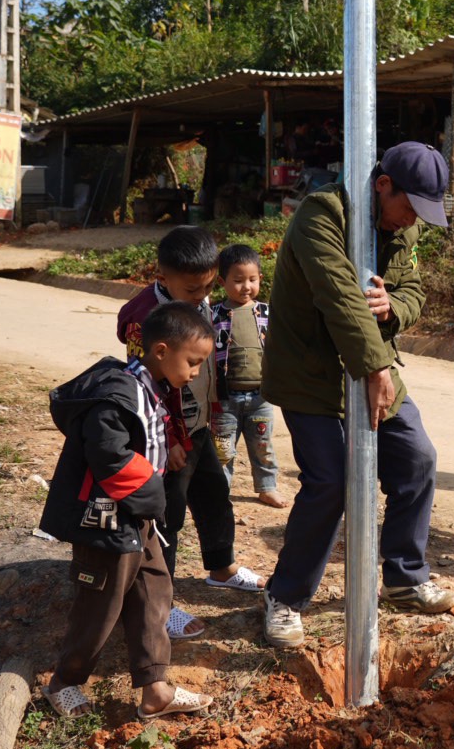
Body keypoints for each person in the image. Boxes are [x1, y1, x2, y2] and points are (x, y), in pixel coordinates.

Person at [261, 142, 454, 649]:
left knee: (417, 459)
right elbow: (340, 297)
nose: (411, 220)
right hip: (311, 373)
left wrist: (394, 307)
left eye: (420, 212)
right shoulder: (320, 214)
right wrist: (375, 366)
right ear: (382, 184)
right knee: (331, 481)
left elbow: (413, 290)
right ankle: (285, 597)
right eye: (409, 207)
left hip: (374, 366)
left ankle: (404, 578)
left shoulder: (403, 225)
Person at [40, 302, 215, 721]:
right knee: (99, 606)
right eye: (192, 363)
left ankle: (155, 687)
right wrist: (152, 495)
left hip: (138, 519)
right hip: (106, 523)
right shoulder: (118, 395)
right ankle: (64, 682)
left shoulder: (153, 388)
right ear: (160, 350)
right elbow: (108, 456)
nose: (195, 373)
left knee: (155, 592)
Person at [118, 226, 266, 644]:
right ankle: (158, 604)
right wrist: (170, 440)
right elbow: (147, 388)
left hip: (198, 426)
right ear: (162, 277)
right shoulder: (143, 318)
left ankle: (221, 568)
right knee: (168, 516)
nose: (201, 296)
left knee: (214, 496)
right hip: (166, 437)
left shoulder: (202, 305)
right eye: (192, 289)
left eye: (207, 286)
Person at [211, 244, 283, 509]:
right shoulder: (214, 315)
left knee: (263, 445)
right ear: (222, 282)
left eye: (252, 280)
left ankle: (267, 487)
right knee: (222, 449)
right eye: (238, 280)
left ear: (260, 279)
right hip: (225, 398)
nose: (246, 287)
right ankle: (219, 490)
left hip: (261, 396)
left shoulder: (266, 313)